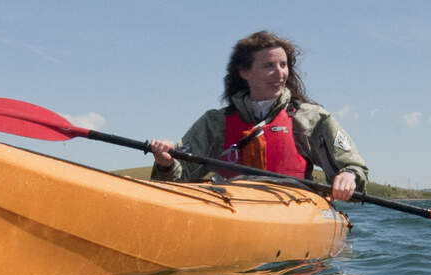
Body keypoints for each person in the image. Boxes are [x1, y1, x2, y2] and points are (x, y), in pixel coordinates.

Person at [150, 30, 368, 202]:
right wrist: (165, 163)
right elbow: (177, 181)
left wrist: (349, 176)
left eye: (283, 65)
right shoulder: (215, 123)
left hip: (295, 206)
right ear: (245, 73)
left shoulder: (310, 118)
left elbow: (354, 168)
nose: (280, 73)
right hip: (231, 205)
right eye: (269, 66)